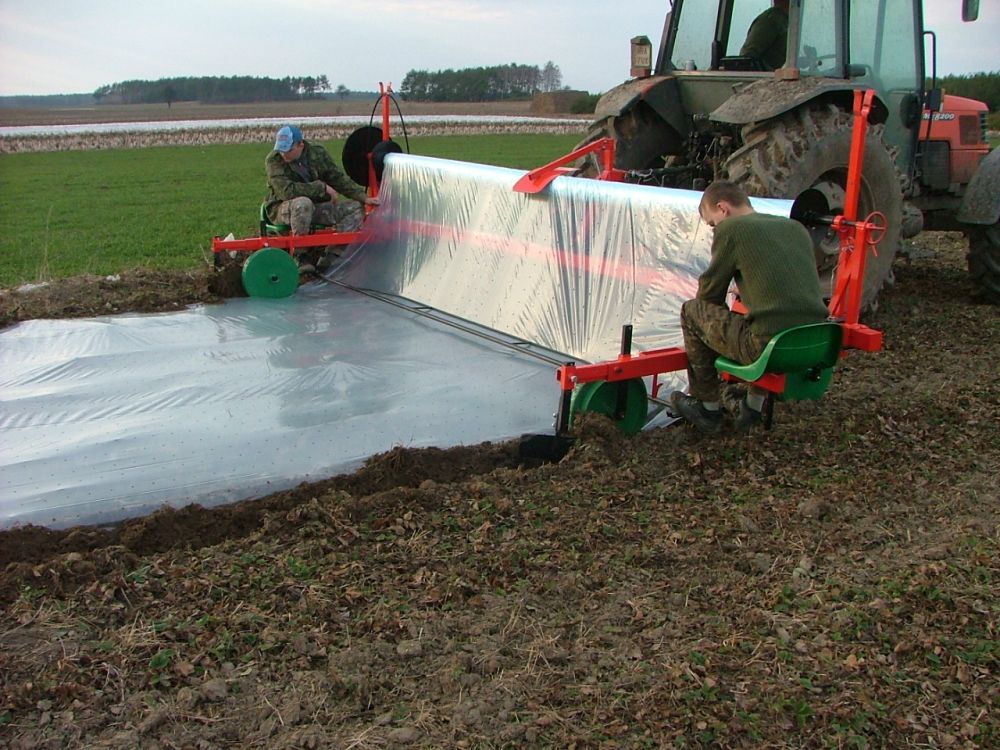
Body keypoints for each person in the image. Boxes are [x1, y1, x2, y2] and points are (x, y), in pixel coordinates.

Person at [669, 180, 828, 434]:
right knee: (767, 320)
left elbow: (709, 295)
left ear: (723, 208)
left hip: (767, 348)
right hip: (817, 342)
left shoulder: (732, 229)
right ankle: (752, 408)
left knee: (692, 311)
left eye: (712, 223)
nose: (714, 229)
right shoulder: (795, 228)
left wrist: (711, 331)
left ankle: (707, 408)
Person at [264, 124, 380, 272]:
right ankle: (301, 256)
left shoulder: (317, 153)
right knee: (303, 203)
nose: (283, 154)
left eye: (288, 150)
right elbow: (286, 192)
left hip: (315, 207)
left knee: (355, 208)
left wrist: (363, 198)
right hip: (284, 209)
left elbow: (337, 178)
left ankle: (332, 257)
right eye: (281, 150)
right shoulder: (274, 160)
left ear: (300, 145)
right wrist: (321, 188)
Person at [740, 0, 789, 71]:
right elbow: (747, 57)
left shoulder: (791, 21)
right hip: (767, 77)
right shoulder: (771, 19)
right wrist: (774, 73)